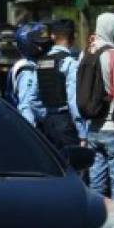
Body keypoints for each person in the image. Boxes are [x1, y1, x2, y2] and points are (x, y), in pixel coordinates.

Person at [83, 13, 114, 212]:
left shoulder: (86, 53)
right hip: (113, 128)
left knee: (96, 182)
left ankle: (97, 227)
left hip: (93, 127)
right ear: (112, 29)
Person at [35, 19, 85, 150]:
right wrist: (82, 133)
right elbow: (73, 100)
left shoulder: (41, 62)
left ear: (52, 36)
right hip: (65, 123)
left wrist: (44, 116)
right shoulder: (69, 63)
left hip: (47, 122)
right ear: (73, 37)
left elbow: (33, 99)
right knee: (73, 167)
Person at [7, 22, 51, 127]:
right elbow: (26, 105)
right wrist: (32, 132)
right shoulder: (27, 69)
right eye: (38, 44)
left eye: (44, 44)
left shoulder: (35, 64)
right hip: (31, 126)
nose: (42, 48)